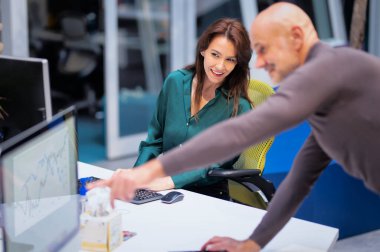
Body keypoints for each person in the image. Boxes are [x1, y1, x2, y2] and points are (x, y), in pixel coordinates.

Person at [89, 2, 380, 252]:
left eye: (264, 49)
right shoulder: (328, 89)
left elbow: (239, 133)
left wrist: (146, 173)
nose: (262, 62)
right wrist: (252, 244)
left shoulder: (326, 70)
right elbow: (300, 178)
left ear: (296, 37)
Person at [132, 18, 253, 194]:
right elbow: (154, 141)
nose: (220, 66)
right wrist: (136, 176)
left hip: (206, 195)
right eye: (215, 54)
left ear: (237, 63)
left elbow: (215, 162)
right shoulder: (175, 82)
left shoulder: (240, 109)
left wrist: (172, 182)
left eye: (230, 59)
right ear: (203, 50)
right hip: (162, 185)